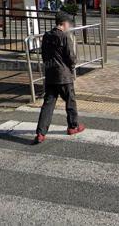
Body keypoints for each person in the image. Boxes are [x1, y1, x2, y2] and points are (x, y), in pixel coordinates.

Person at [33, 12, 85, 143]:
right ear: (63, 23)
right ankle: (73, 126)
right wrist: (72, 67)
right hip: (64, 75)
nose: (69, 26)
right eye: (68, 24)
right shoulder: (64, 37)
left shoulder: (46, 36)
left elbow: (44, 55)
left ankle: (40, 133)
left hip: (50, 75)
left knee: (48, 104)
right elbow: (71, 57)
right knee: (70, 101)